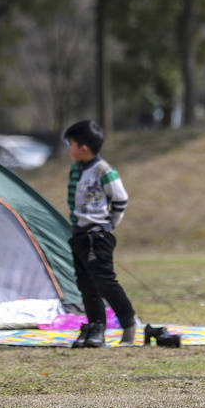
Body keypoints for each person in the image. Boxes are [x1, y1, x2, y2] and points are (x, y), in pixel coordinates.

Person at [63, 119, 137, 348]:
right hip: (80, 235)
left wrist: (108, 225)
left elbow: (121, 198)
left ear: (83, 147)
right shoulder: (76, 169)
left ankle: (128, 324)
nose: (69, 149)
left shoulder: (103, 170)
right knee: (86, 284)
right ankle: (96, 327)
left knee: (105, 282)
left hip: (98, 236)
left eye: (71, 144)